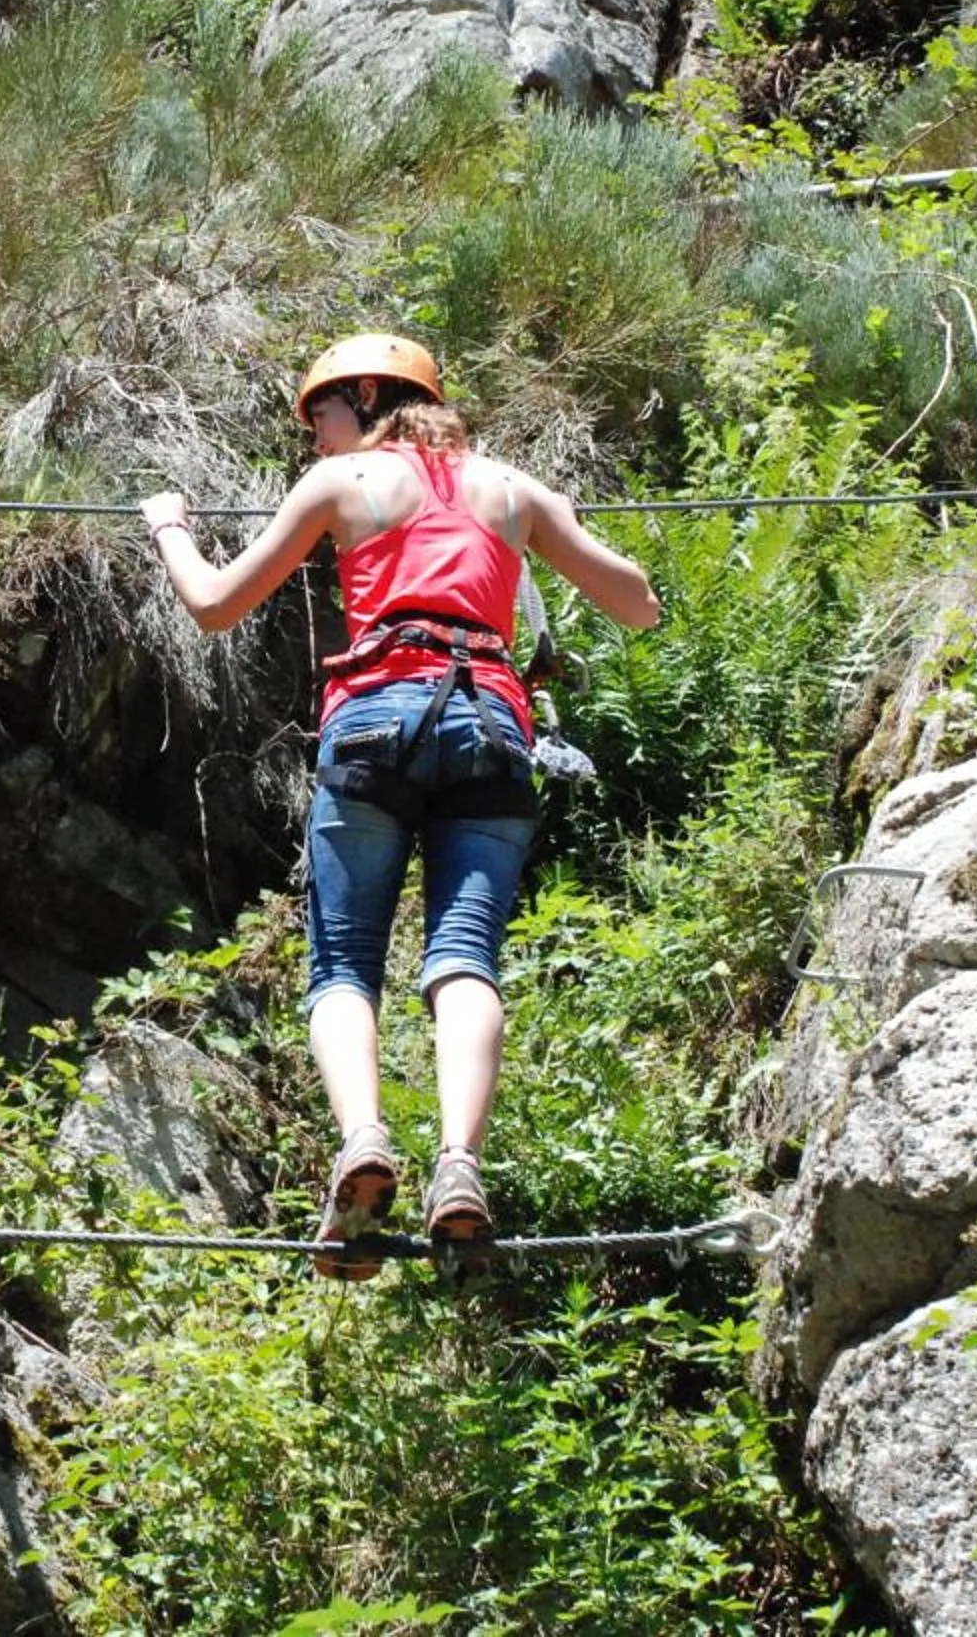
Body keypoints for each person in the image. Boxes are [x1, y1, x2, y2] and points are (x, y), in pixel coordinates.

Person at [141, 333, 658, 1278]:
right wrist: (559, 530)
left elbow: (215, 605)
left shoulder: (345, 484)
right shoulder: (509, 489)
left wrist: (170, 525)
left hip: (377, 719)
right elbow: (640, 606)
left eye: (320, 416)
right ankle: (458, 1164)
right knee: (465, 958)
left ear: (368, 398)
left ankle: (363, 1141)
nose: (314, 439)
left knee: (344, 961)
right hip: (492, 729)